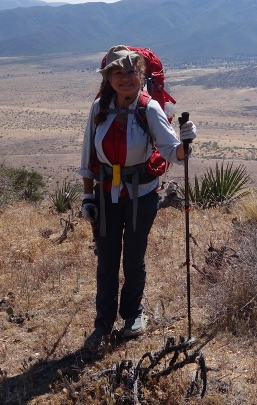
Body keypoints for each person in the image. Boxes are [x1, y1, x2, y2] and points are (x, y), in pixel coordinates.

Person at [77, 45, 196, 350]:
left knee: (133, 256)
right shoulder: (98, 108)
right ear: (108, 77)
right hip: (105, 195)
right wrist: (87, 197)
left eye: (131, 72)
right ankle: (103, 323)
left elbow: (173, 153)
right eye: (118, 72)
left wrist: (186, 142)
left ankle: (132, 315)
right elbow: (88, 156)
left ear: (141, 75)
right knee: (106, 260)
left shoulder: (149, 108)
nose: (125, 78)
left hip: (141, 194)